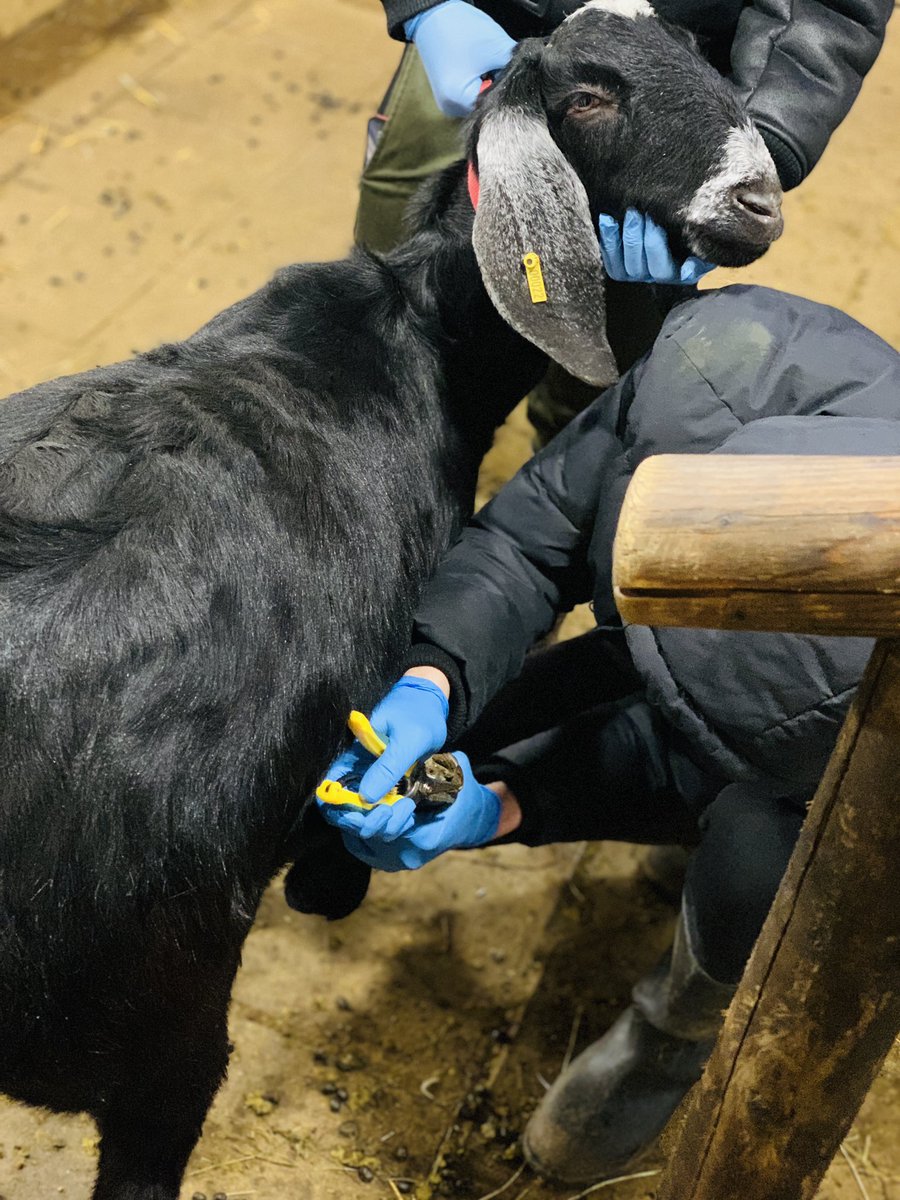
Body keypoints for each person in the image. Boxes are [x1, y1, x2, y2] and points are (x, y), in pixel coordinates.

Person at [317, 284, 900, 1185]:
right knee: (508, 708)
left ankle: (677, 1025)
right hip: (700, 663)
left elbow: (681, 761)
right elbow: (528, 542)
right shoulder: (726, 366)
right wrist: (432, 677)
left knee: (760, 867)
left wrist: (516, 805)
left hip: (822, 781)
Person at [359, 0, 892, 440]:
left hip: (670, 71)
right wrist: (429, 8)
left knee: (606, 379)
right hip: (486, 32)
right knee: (404, 316)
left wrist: (754, 136)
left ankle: (559, 471)